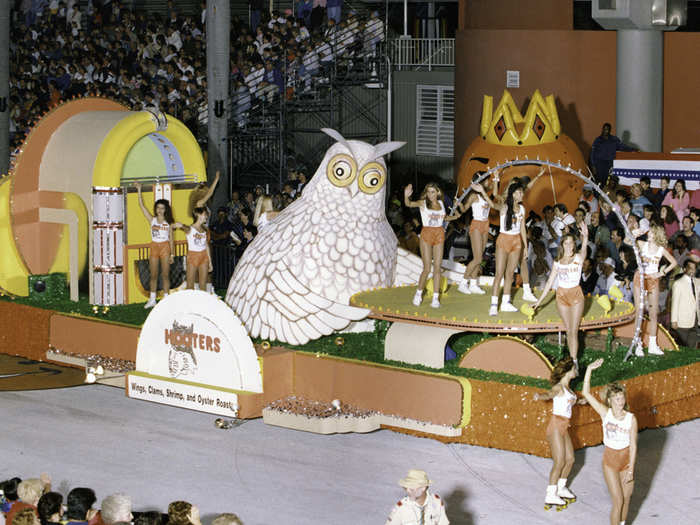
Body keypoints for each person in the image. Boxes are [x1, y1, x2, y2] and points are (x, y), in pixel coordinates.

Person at [582, 358, 638, 525]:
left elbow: (634, 445)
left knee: (627, 499)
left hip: (626, 461)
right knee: (618, 501)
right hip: (610, 461)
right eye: (617, 399)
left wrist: (631, 469)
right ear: (610, 401)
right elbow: (585, 393)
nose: (621, 402)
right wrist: (589, 370)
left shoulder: (631, 418)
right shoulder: (605, 413)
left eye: (622, 398)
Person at [534, 220, 588, 366]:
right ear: (562, 246)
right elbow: (550, 283)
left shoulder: (578, 258)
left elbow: (584, 250)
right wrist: (538, 302)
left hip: (576, 294)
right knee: (568, 330)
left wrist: (586, 237)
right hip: (561, 295)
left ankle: (574, 360)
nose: (569, 246)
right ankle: (572, 360)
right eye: (566, 243)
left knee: (574, 330)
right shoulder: (557, 262)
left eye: (571, 243)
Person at [533, 357, 586, 509]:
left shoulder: (569, 389)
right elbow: (549, 394)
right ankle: (550, 493)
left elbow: (572, 402)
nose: (576, 371)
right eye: (574, 368)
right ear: (568, 371)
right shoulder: (559, 388)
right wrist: (540, 396)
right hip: (556, 425)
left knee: (570, 459)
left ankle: (561, 487)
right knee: (560, 461)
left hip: (564, 426)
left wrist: (583, 401)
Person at [471, 181, 528, 315]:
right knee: (499, 274)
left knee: (510, 274)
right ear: (513, 194)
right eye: (520, 192)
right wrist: (483, 192)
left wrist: (524, 246)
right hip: (503, 240)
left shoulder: (522, 209)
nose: (522, 194)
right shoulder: (505, 207)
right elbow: (492, 205)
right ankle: (493, 304)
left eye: (522, 192)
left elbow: (522, 228)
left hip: (516, 242)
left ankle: (506, 303)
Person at [404, 183, 459, 308]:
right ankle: (418, 294)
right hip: (427, 233)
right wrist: (406, 196)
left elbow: (444, 218)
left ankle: (435, 298)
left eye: (433, 192)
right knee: (427, 268)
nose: (430, 194)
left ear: (438, 193)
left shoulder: (440, 204)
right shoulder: (423, 203)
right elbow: (408, 204)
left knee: (438, 268)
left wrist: (455, 217)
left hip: (439, 233)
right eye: (428, 192)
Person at [632, 225, 677, 356]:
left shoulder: (661, 250)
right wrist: (634, 234)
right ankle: (638, 344)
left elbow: (673, 263)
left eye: (651, 232)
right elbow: (628, 241)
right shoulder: (642, 244)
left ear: (656, 234)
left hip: (653, 280)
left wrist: (661, 273)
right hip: (640, 278)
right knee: (639, 312)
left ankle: (652, 344)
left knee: (653, 313)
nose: (648, 234)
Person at [135, 183, 175, 309]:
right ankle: (152, 299)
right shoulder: (152, 219)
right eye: (158, 207)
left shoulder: (169, 223)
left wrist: (172, 254)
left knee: (165, 274)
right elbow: (141, 206)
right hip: (154, 246)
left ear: (166, 209)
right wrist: (139, 189)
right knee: (153, 275)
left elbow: (172, 240)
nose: (160, 210)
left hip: (165, 247)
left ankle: (166, 298)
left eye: (162, 208)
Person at [457, 172, 495, 295]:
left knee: (479, 258)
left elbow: (494, 189)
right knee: (478, 258)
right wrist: (459, 204)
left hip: (485, 224)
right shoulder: (474, 196)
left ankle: (473, 284)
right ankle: (463, 283)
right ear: (482, 181)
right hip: (477, 225)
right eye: (487, 180)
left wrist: (498, 175)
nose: (489, 182)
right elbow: (464, 210)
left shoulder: (485, 194)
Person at [175, 208, 212, 291]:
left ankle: (201, 303)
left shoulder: (205, 229)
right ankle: (189, 303)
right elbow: (179, 225)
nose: (206, 216)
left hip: (204, 256)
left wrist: (210, 262)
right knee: (190, 285)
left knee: (203, 285)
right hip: (193, 256)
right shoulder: (189, 229)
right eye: (205, 214)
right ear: (198, 215)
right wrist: (175, 225)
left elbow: (206, 245)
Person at [671, 259, 700, 349]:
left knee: (693, 344)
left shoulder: (697, 282)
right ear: (684, 269)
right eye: (690, 268)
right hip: (682, 320)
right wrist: (673, 320)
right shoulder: (678, 283)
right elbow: (675, 303)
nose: (692, 270)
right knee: (683, 345)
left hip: (695, 318)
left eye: (694, 268)